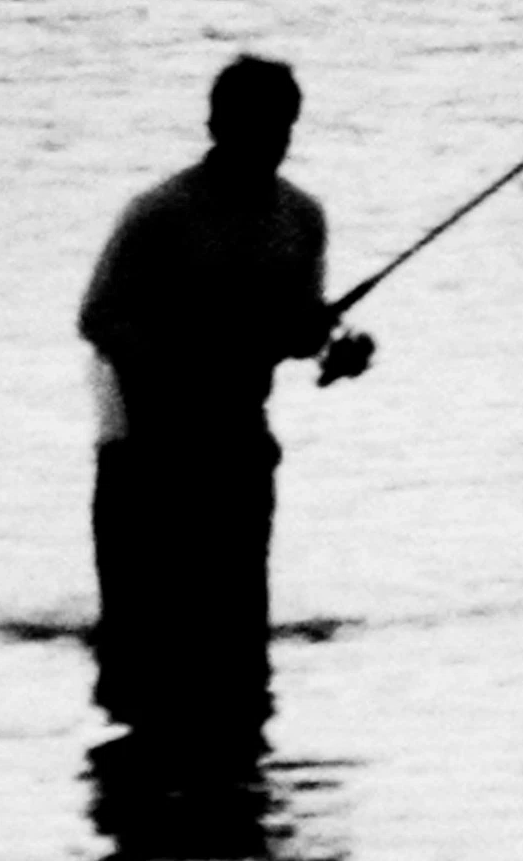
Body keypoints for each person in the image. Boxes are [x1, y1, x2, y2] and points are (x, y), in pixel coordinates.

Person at [78, 53, 375, 701]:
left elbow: (300, 324)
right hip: (145, 453)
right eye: (254, 128)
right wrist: (187, 363)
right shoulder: (158, 214)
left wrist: (333, 348)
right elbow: (99, 318)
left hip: (241, 450)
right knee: (133, 652)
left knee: (240, 648)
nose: (268, 144)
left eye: (280, 130)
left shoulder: (301, 218)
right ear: (216, 126)